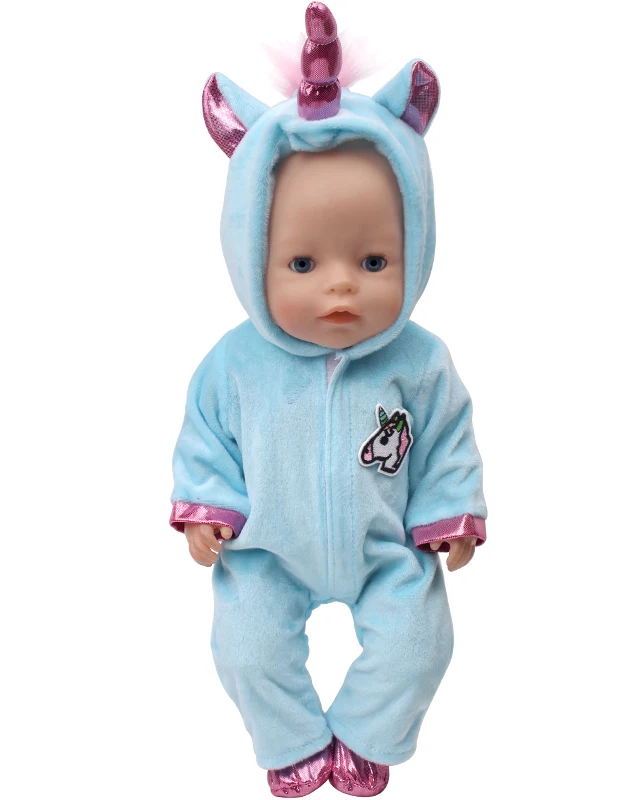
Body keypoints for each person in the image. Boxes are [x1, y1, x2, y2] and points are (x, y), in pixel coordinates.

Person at [170, 4, 487, 796]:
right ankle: (292, 742)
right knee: (246, 647)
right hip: (268, 552)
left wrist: (450, 513)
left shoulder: (421, 362)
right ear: (251, 252)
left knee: (422, 643)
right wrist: (207, 506)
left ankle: (369, 734)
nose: (341, 286)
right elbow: (207, 438)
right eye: (303, 264)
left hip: (387, 550)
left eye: (374, 261)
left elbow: (447, 440)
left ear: (416, 244)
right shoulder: (234, 365)